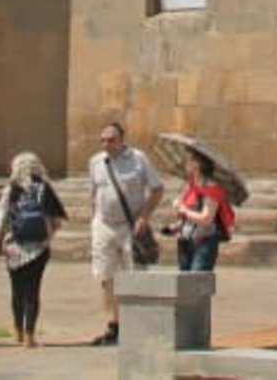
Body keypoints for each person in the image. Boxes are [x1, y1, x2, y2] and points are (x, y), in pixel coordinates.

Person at [86, 121, 162, 345]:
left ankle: (136, 324)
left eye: (111, 140)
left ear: (122, 140)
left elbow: (157, 189)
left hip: (130, 225)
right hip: (104, 224)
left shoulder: (138, 159)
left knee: (134, 274)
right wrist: (94, 221)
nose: (106, 144)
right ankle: (115, 324)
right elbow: (94, 193)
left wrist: (144, 217)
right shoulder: (96, 162)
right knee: (106, 276)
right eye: (103, 140)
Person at [0, 151, 67, 348]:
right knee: (33, 290)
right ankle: (30, 335)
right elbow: (57, 220)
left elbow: (0, 218)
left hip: (13, 246)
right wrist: (47, 236)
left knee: (17, 290)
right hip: (39, 248)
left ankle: (17, 331)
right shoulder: (45, 188)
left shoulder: (11, 189)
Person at [173, 149, 235, 275]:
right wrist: (177, 205)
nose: (186, 162)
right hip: (185, 239)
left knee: (197, 280)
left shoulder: (211, 187)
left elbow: (206, 218)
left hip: (203, 242)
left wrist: (184, 210)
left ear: (198, 164)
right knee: (184, 282)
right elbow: (181, 206)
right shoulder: (190, 185)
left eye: (190, 159)